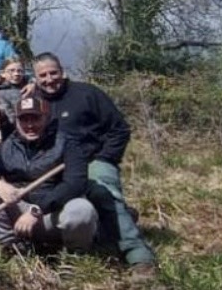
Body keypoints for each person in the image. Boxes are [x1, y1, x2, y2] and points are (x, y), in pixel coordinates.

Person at [34, 53, 157, 277]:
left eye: (53, 73)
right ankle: (78, 243)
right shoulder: (34, 101)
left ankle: (138, 256)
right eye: (43, 75)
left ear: (62, 71)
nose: (49, 79)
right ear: (35, 78)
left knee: (103, 192)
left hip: (93, 161)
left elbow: (119, 129)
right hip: (54, 168)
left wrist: (105, 157)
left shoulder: (87, 94)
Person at [0, 96, 99, 254]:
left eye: (35, 118)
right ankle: (13, 247)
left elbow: (75, 184)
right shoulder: (8, 146)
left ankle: (75, 255)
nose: (29, 125)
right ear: (17, 122)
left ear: (46, 118)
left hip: (52, 214)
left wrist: (37, 210)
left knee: (82, 210)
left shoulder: (67, 143)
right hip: (20, 214)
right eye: (24, 119)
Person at [0, 57, 28, 127]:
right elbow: (8, 113)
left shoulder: (27, 89)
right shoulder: (0, 92)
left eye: (20, 71)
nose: (16, 74)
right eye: (11, 71)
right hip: (12, 127)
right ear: (3, 74)